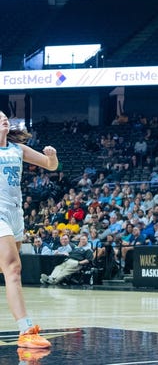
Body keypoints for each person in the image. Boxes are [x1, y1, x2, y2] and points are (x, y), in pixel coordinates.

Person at [0, 111, 57, 349]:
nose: (4, 119)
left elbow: (50, 166)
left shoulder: (17, 149)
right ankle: (26, 330)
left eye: (4, 117)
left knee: (5, 268)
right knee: (14, 269)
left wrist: (52, 156)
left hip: (15, 215)